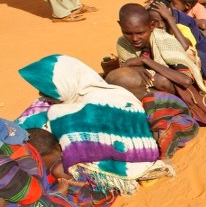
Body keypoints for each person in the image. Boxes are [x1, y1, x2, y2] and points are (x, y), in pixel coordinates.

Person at [17, 54, 176, 196]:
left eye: (46, 90)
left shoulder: (73, 112)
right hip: (142, 154)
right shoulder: (114, 92)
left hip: (118, 168)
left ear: (65, 85)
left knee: (54, 168)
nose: (41, 95)